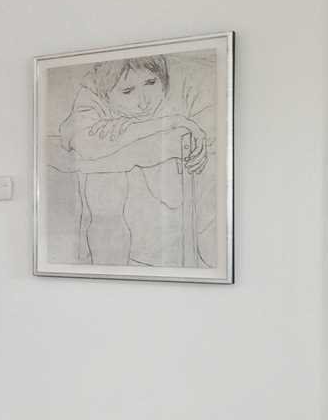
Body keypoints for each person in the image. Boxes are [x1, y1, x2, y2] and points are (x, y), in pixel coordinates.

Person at [51, 55, 211, 267]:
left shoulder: (185, 85)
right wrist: (171, 123)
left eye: (151, 83)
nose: (144, 100)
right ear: (106, 95)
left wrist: (136, 129)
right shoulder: (91, 96)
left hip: (167, 237)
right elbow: (88, 144)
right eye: (127, 91)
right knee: (105, 175)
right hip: (117, 238)